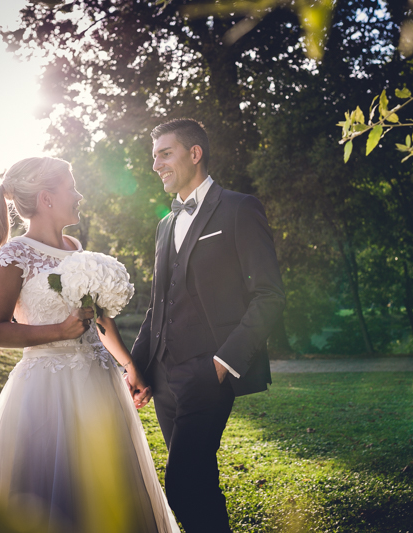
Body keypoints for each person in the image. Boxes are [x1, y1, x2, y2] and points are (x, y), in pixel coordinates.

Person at [0, 157, 179, 533]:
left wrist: (129, 365)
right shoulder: (15, 255)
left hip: (98, 383)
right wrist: (59, 330)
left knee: (107, 484)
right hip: (46, 387)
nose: (79, 195)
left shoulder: (75, 246)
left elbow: (99, 318)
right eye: (71, 188)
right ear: (46, 199)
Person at [130, 119, 286, 533]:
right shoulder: (165, 224)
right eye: (154, 157)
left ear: (194, 153)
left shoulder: (238, 208)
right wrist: (138, 367)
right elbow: (157, 306)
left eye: (165, 153)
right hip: (163, 375)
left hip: (207, 372)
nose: (156, 164)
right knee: (199, 483)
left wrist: (223, 363)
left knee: (181, 485)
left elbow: (269, 294)